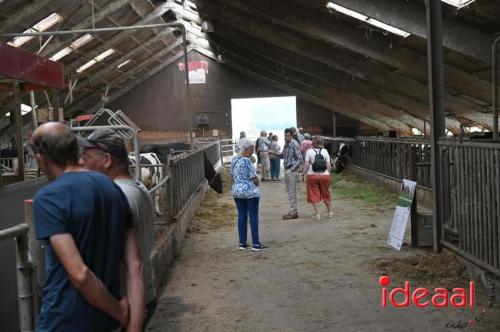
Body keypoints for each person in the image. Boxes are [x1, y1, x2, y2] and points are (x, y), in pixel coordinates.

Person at [30, 122, 144, 332]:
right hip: (106, 324)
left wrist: (118, 310)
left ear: (41, 158)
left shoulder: (48, 198)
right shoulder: (111, 187)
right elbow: (135, 266)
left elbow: (80, 275)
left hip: (63, 321)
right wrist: (134, 325)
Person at [79, 128, 157, 330]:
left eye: (87, 156)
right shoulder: (137, 188)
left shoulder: (118, 197)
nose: (82, 163)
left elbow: (132, 264)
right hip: (141, 295)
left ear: (106, 159)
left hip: (126, 301)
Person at [231, 138, 267, 251]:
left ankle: (242, 243)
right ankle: (256, 243)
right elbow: (254, 178)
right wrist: (257, 182)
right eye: (251, 150)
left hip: (237, 191)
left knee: (241, 215)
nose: (252, 152)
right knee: (253, 216)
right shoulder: (247, 161)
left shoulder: (234, 160)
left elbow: (231, 177)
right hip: (250, 192)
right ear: (246, 149)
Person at [303, 136, 333, 220]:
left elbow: (306, 164)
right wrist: (328, 173)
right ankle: (329, 212)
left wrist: (303, 174)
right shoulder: (325, 151)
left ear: (313, 142)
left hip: (312, 176)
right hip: (324, 175)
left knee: (313, 194)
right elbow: (328, 164)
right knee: (326, 193)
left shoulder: (309, 151)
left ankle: (317, 214)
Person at [282, 128, 302, 220]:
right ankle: (293, 210)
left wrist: (292, 169)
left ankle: (294, 211)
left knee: (291, 191)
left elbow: (300, 159)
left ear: (292, 135)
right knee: (290, 191)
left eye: (287, 135)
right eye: (285, 135)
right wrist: (274, 154)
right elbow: (283, 155)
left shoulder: (295, 144)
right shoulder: (286, 144)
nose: (286, 137)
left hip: (291, 170)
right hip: (287, 169)